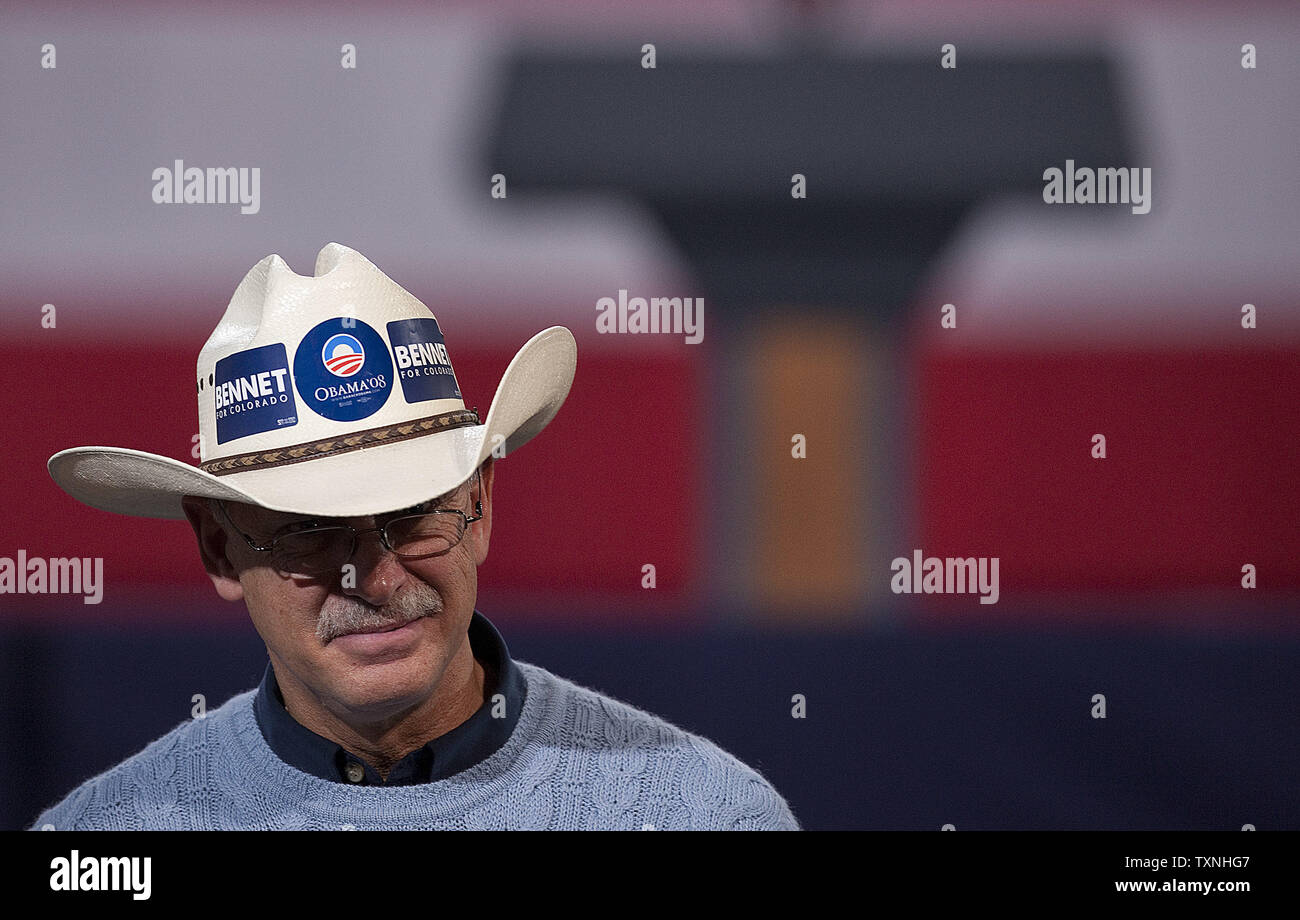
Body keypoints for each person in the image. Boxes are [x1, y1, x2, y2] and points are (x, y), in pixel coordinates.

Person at [33, 243, 799, 830]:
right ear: (216, 547)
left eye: (413, 518)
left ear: (481, 503)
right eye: (307, 534)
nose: (375, 579)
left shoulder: (701, 813)